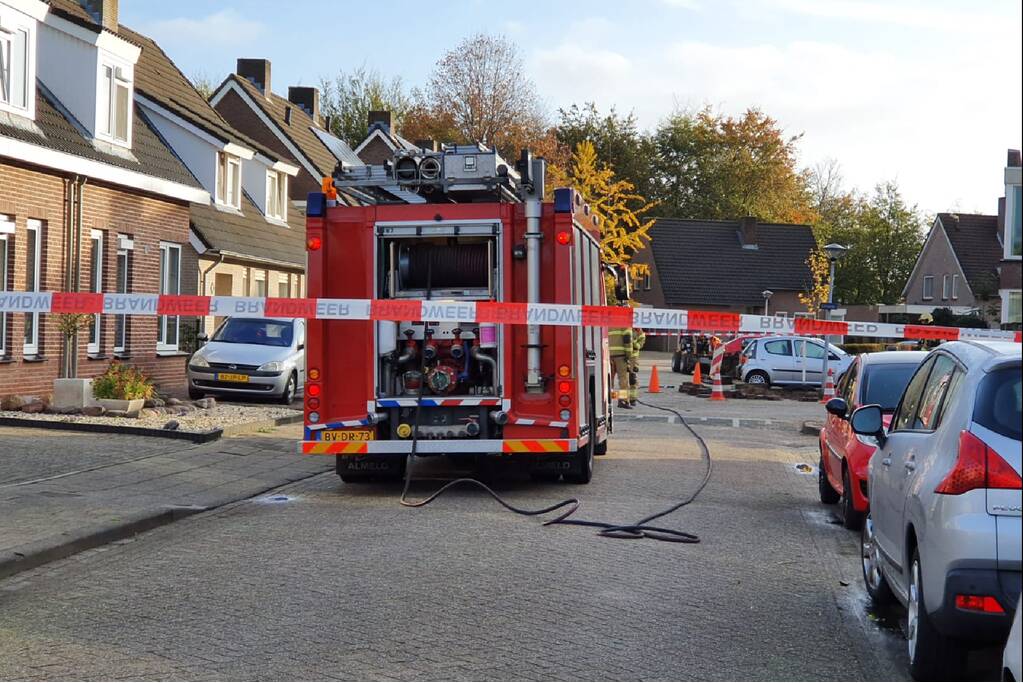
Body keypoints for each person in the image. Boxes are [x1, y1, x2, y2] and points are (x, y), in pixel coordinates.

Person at [609, 326, 633, 409]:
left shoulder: (609, 324)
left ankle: (609, 399)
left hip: (609, 355)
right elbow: (627, 340)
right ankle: (623, 400)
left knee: (609, 379)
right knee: (623, 380)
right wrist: (629, 355)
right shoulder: (625, 324)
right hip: (621, 356)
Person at [628, 327, 646, 407]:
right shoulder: (626, 328)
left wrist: (633, 341)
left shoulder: (641, 333)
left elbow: (639, 346)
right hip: (623, 357)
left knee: (633, 379)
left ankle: (632, 399)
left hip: (633, 358)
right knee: (623, 380)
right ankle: (623, 399)